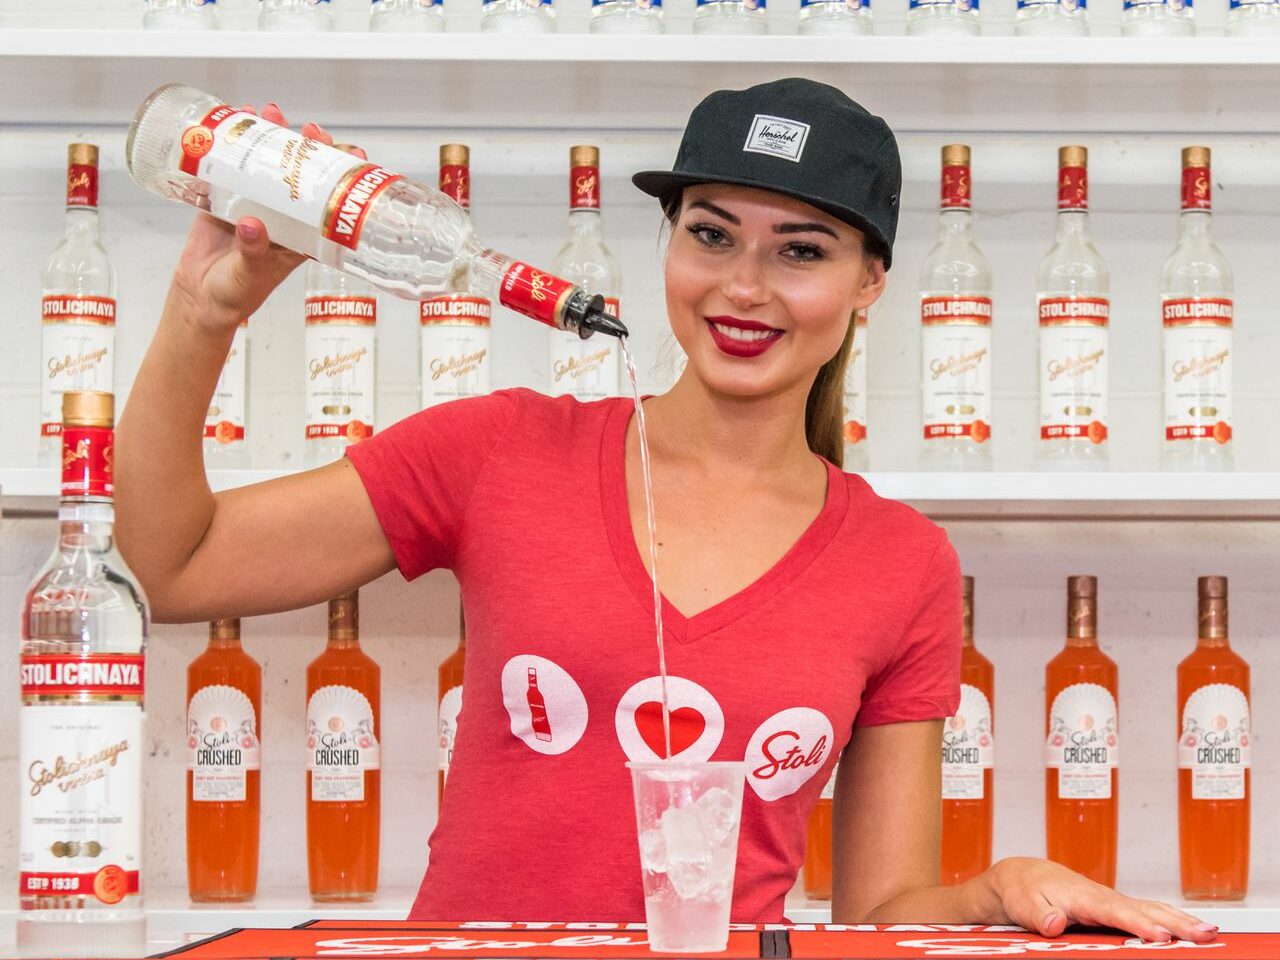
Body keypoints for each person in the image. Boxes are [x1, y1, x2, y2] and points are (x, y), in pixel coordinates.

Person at [115, 78, 1215, 941]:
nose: (743, 285)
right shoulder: (500, 449)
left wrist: (999, 886)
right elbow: (171, 571)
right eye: (710, 232)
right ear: (667, 243)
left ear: (870, 282)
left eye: (801, 251)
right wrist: (201, 314)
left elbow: (877, 919)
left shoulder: (899, 561)